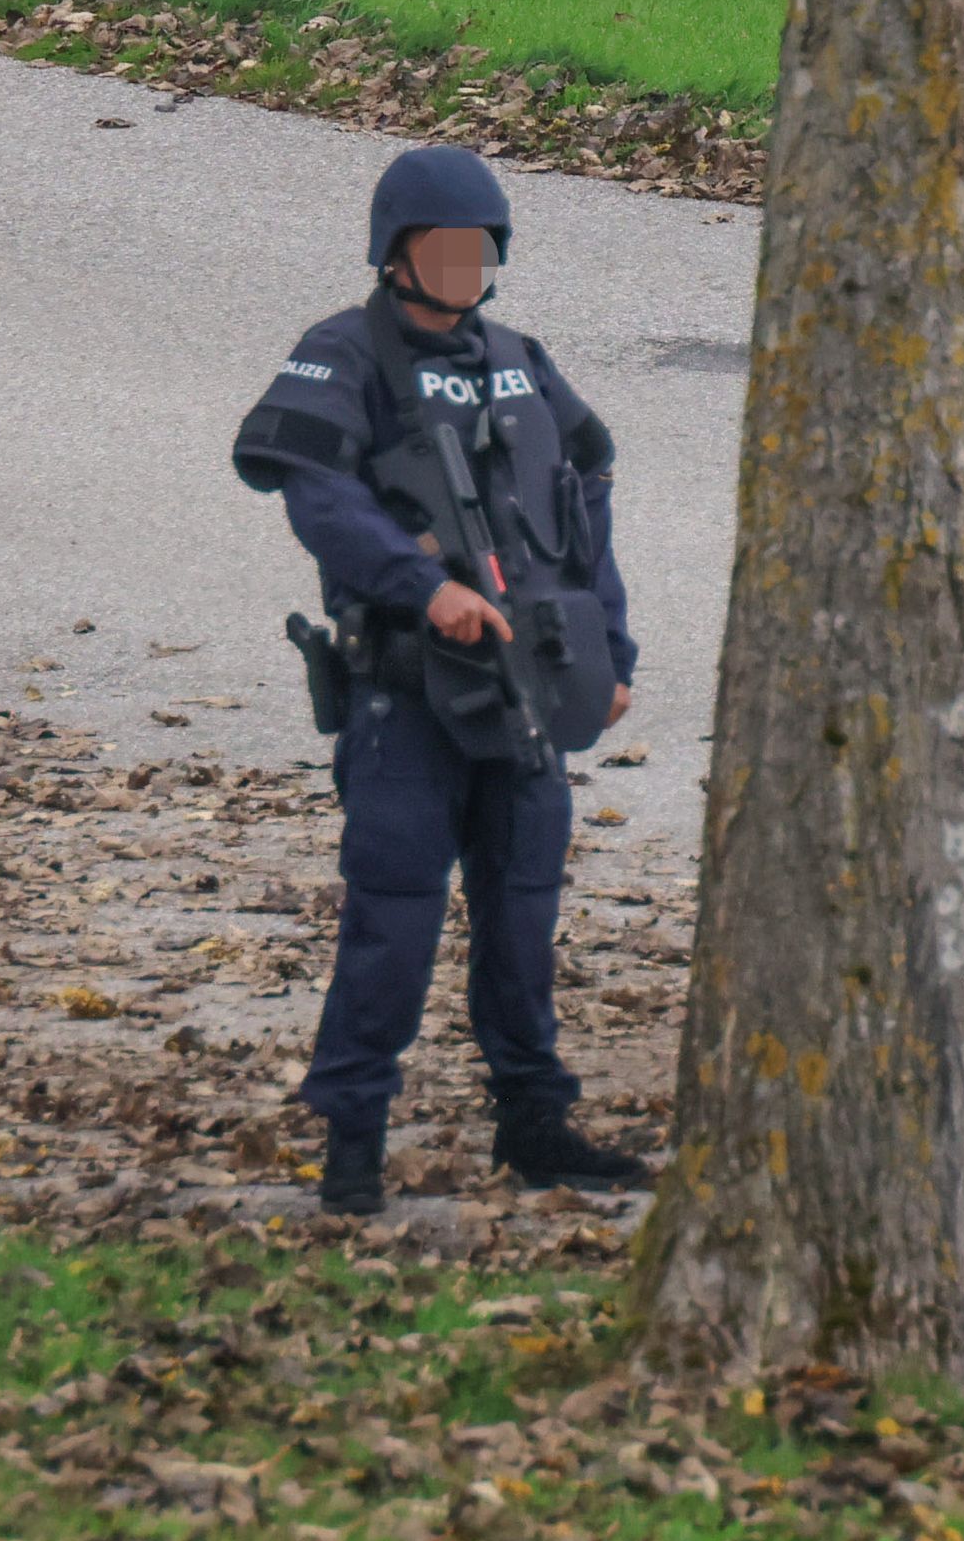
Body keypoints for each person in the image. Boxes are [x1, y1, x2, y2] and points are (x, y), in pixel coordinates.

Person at [230, 146, 652, 1215]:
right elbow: (316, 492)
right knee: (397, 914)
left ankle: (534, 1123)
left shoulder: (520, 358)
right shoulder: (342, 353)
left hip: (526, 693)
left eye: (481, 247)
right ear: (396, 252)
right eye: (444, 247)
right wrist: (424, 586)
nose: (465, 265)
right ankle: (354, 1139)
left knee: (521, 913)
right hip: (406, 697)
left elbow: (584, 495)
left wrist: (612, 652)